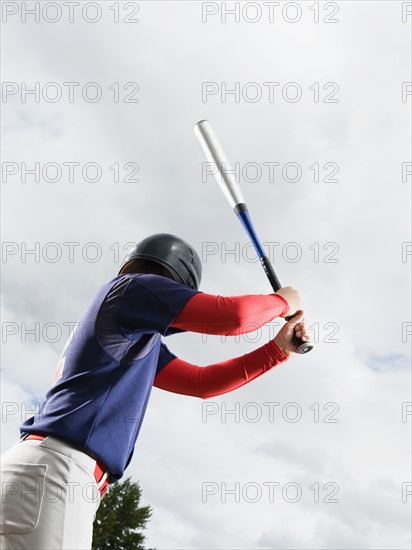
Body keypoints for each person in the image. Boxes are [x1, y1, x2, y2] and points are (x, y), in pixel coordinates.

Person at [0, 233, 310, 550]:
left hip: (41, 471)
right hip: (58, 473)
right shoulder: (132, 288)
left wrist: (278, 351)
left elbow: (201, 383)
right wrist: (284, 301)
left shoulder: (134, 337)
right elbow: (232, 316)